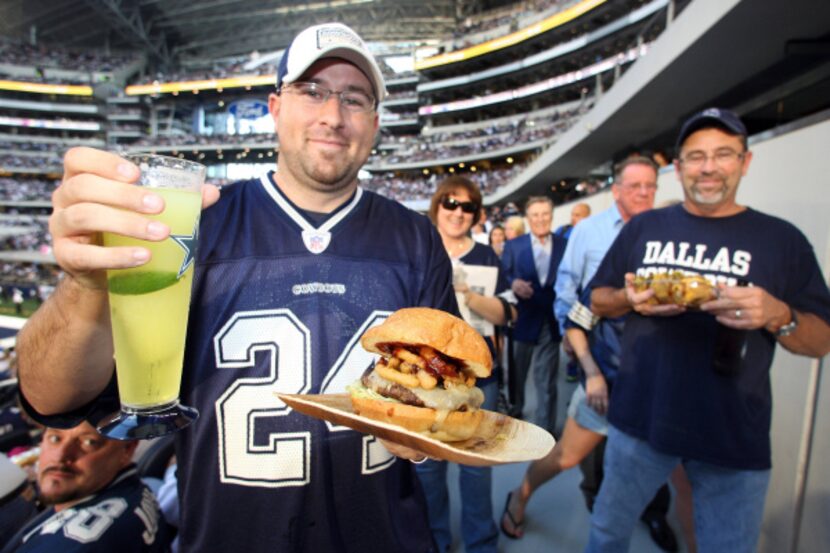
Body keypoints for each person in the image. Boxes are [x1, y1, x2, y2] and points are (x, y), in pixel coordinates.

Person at [16, 23, 457, 553]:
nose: (332, 116)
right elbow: (50, 399)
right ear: (274, 106)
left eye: (354, 98)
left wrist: (432, 432)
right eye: (312, 91)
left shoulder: (415, 238)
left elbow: (444, 398)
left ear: (376, 121)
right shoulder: (200, 221)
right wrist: (82, 286)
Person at [585, 108, 830, 552]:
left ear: (745, 161)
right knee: (606, 533)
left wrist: (778, 314)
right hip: (641, 419)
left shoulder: (782, 240)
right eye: (696, 157)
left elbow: (821, 341)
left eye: (723, 154)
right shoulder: (645, 227)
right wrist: (628, 300)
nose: (709, 167)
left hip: (732, 433)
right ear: (678, 168)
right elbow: (596, 297)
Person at [500, 157, 679, 552]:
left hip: (660, 384)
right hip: (608, 374)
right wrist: (591, 370)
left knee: (660, 464)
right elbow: (579, 310)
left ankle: (654, 513)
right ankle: (522, 494)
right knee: (568, 455)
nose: (643, 194)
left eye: (651, 186)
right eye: (634, 186)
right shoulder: (600, 268)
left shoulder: (671, 252)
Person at [417, 176, 516, 553]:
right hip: (427, 377)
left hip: (475, 377)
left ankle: (481, 544)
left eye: (468, 206)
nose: (458, 212)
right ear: (437, 206)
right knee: (427, 465)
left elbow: (507, 312)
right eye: (450, 203)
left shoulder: (486, 256)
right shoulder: (421, 250)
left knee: (475, 462)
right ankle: (433, 541)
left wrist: (469, 295)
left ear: (477, 214)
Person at [1, 421, 170, 552]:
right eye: (55, 438)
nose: (61, 456)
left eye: (89, 442)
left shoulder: (72, 544)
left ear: (127, 450)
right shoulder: (131, 489)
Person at [500, 196, 566, 432]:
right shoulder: (514, 246)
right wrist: (514, 282)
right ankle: (515, 411)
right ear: (528, 219)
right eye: (535, 215)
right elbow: (502, 275)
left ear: (551, 215)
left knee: (546, 380)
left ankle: (545, 429)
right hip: (522, 320)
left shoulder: (563, 245)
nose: (540, 219)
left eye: (545, 214)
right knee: (518, 374)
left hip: (550, 320)